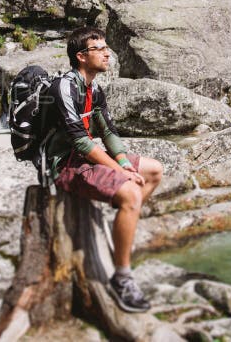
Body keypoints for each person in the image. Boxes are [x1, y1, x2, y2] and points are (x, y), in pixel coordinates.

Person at [45, 26, 164, 313]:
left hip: (85, 158)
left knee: (154, 171)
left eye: (106, 47)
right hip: (66, 164)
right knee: (131, 195)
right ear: (81, 56)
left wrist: (123, 163)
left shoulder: (94, 89)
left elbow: (108, 133)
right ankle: (121, 278)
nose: (107, 52)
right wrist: (122, 173)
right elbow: (81, 142)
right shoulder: (64, 87)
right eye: (99, 48)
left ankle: (121, 227)